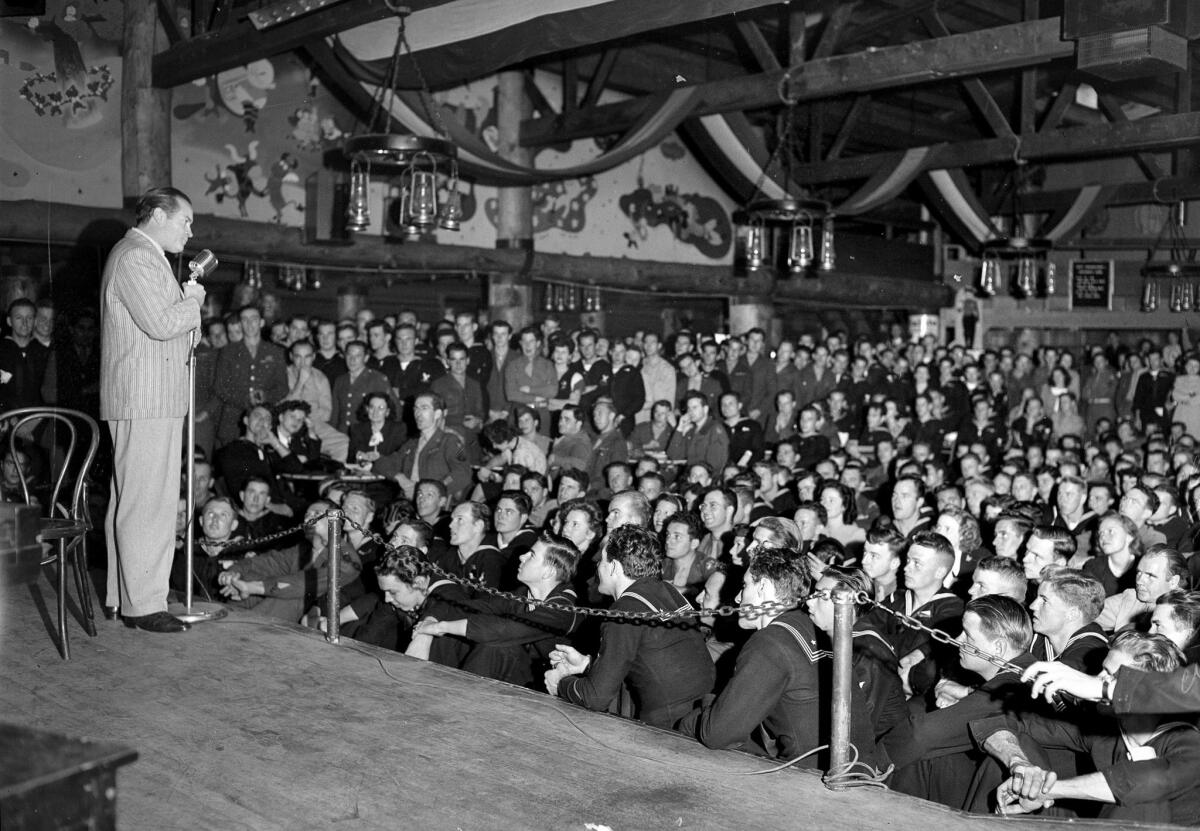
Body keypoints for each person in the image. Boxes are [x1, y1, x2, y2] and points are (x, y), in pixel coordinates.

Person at [101, 186, 205, 632]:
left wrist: (186, 310)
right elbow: (164, 324)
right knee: (149, 503)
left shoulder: (143, 256)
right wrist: (194, 302)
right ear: (159, 215)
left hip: (147, 397)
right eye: (185, 221)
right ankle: (143, 605)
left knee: (131, 499)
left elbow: (174, 332)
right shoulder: (137, 257)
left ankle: (119, 596)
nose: (190, 230)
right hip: (146, 399)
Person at [979, 631, 1200, 824]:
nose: (1097, 680)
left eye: (1112, 677)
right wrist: (1019, 763)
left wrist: (1046, 789)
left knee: (1142, 795)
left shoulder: (1188, 738)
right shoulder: (1105, 727)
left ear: (1147, 689)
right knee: (1021, 744)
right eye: (1102, 671)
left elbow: (1145, 781)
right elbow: (999, 722)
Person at [545, 524, 715, 729]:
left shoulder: (625, 609)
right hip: (699, 712)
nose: (597, 568)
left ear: (614, 566)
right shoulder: (667, 590)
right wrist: (586, 665)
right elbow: (655, 657)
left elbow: (595, 698)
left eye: (601, 562)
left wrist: (561, 682)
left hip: (668, 727)